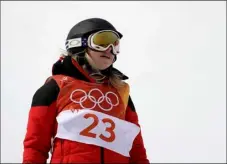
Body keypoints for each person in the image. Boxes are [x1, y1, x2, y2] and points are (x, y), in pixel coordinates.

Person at [23, 18, 150, 163]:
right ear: (79, 43)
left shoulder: (120, 92)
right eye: (101, 42)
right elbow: (36, 145)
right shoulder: (56, 88)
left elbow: (136, 149)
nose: (109, 49)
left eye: (115, 45)